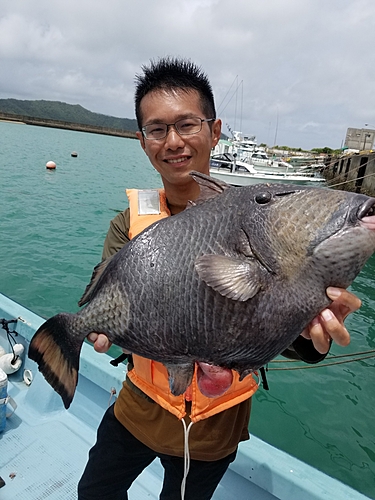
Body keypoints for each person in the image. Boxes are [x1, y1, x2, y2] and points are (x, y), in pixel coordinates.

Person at [77, 57, 361, 500]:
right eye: (157, 129)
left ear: (215, 129)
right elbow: (124, 306)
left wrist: (308, 337)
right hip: (137, 410)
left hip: (213, 432)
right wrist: (100, 327)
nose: (173, 141)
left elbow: (277, 318)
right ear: (142, 141)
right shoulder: (127, 226)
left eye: (187, 124)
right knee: (93, 491)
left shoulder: (264, 217)